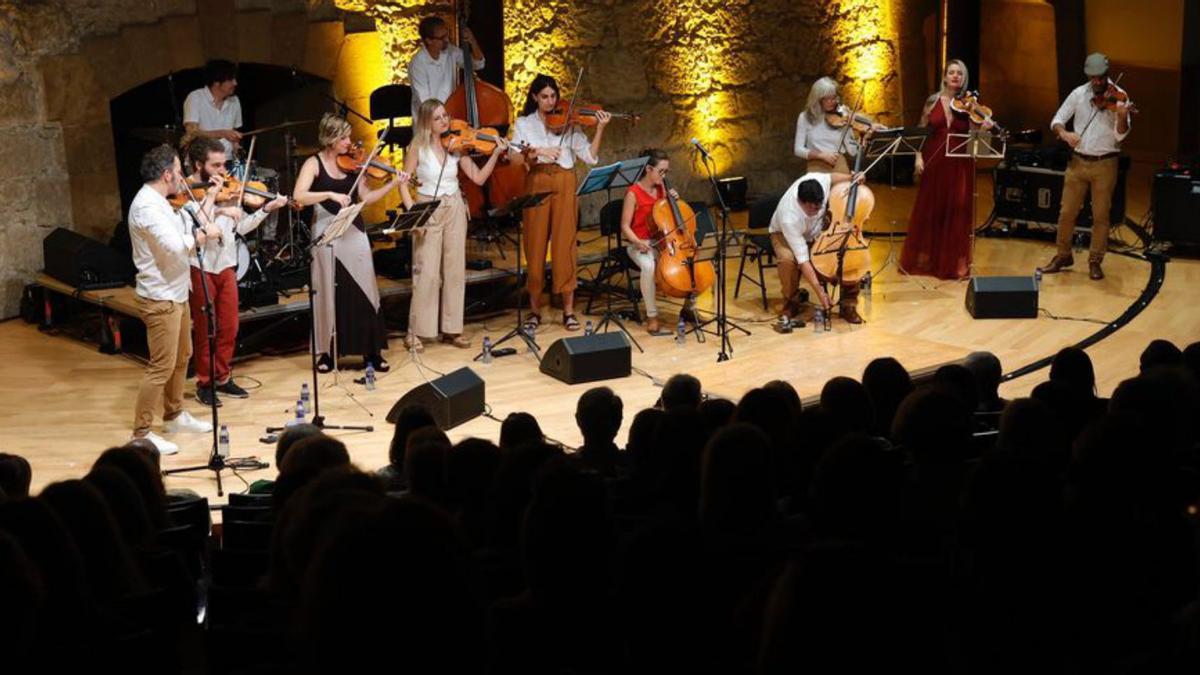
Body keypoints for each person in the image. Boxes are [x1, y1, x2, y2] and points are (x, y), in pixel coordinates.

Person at [128, 144, 220, 455]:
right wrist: (203, 236)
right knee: (161, 366)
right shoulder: (146, 207)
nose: (183, 177)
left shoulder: (162, 202)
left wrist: (208, 200)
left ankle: (174, 414)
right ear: (167, 174)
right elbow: (174, 246)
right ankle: (141, 433)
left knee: (183, 357)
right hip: (159, 297)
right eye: (179, 171)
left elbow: (188, 228)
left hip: (177, 292)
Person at [182, 138, 289, 406]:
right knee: (207, 327)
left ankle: (222, 376)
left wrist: (265, 209)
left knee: (230, 326)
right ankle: (205, 382)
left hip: (227, 265)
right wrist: (218, 207)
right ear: (199, 165)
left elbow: (240, 229)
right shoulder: (186, 194)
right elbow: (193, 231)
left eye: (224, 164)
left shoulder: (228, 190)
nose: (222, 171)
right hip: (202, 266)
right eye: (215, 165)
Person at [293, 113, 402, 373]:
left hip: (353, 228)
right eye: (343, 137)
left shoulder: (355, 164)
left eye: (348, 136)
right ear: (330, 139)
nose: (349, 142)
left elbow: (367, 197)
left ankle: (371, 352)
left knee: (366, 289)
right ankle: (326, 353)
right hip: (326, 228)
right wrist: (329, 193)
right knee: (327, 292)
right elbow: (299, 196)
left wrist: (393, 184)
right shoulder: (314, 163)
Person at [398, 98, 507, 351]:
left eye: (445, 116)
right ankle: (416, 331)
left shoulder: (456, 146)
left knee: (455, 270)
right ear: (427, 121)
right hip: (428, 206)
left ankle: (452, 329)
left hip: (455, 206)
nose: (445, 121)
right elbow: (403, 182)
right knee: (426, 271)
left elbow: (478, 178)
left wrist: (496, 154)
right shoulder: (418, 147)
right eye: (438, 118)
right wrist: (413, 213)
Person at [510, 74, 612, 332]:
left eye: (553, 96)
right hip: (538, 181)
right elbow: (513, 156)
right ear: (535, 97)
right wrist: (538, 151)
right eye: (544, 96)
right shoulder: (524, 123)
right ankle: (534, 310)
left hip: (565, 183)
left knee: (566, 246)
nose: (550, 101)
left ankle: (568, 310)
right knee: (534, 246)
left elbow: (589, 156)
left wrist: (599, 128)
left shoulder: (569, 122)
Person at [1040, 52, 1132, 281]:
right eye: (1093, 78)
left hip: (1105, 163)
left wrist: (1121, 116)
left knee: (1100, 215)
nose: (1098, 83)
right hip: (1078, 162)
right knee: (1066, 212)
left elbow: (1121, 136)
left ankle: (1095, 260)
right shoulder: (1079, 94)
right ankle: (1063, 255)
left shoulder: (1120, 97)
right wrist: (1065, 133)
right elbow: (1057, 119)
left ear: (1107, 74)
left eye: (1101, 78)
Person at [900, 59, 992, 280]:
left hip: (960, 163)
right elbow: (920, 131)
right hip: (935, 159)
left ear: (964, 78)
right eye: (951, 72)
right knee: (933, 208)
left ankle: (955, 262)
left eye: (959, 73)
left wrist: (982, 126)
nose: (955, 76)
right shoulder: (933, 101)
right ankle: (931, 260)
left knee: (958, 209)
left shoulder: (969, 104)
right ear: (944, 77)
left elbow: (974, 136)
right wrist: (918, 157)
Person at [769, 170, 865, 323]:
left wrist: (852, 178)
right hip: (783, 234)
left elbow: (830, 177)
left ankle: (849, 304)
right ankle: (792, 301)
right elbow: (803, 261)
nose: (818, 210)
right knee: (787, 260)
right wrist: (820, 293)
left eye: (820, 206)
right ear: (801, 202)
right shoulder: (789, 217)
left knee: (847, 250)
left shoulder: (815, 181)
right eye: (813, 208)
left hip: (816, 232)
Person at [617, 148, 687, 335]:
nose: (664, 176)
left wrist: (675, 202)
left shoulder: (662, 189)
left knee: (688, 261)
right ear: (648, 169)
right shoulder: (633, 193)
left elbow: (668, 219)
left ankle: (690, 306)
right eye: (661, 171)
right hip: (637, 244)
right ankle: (652, 317)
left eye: (666, 172)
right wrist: (638, 242)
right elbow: (625, 226)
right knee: (648, 266)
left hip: (662, 242)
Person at [795, 76, 885, 173]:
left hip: (839, 167)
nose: (832, 102)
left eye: (833, 97)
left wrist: (864, 139)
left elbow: (852, 151)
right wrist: (822, 155)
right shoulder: (805, 117)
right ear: (817, 99)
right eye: (826, 99)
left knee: (859, 188)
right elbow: (798, 150)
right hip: (816, 168)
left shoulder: (842, 117)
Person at [406, 15, 485, 118]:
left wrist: (472, 41)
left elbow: (478, 64)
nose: (447, 40)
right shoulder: (417, 64)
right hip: (428, 124)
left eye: (447, 35)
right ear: (429, 40)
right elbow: (426, 104)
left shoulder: (450, 51)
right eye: (442, 38)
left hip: (449, 118)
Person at [182, 59, 242, 158]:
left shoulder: (235, 101)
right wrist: (222, 133)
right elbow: (192, 133)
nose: (235, 83)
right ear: (216, 82)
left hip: (226, 160)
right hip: (200, 161)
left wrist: (236, 146)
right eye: (231, 79)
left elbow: (233, 134)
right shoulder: (195, 97)